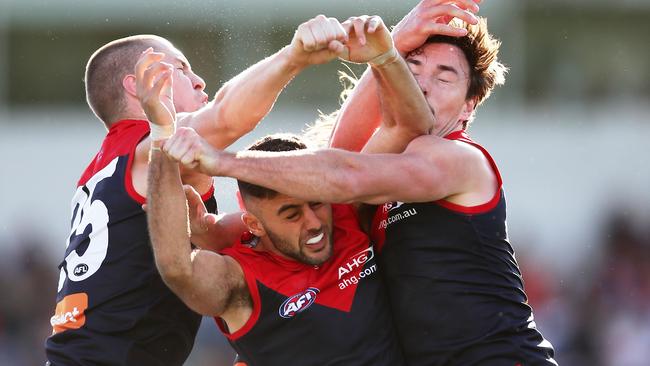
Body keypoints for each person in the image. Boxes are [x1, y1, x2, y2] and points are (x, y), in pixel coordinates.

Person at [159, 4, 558, 366]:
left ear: (469, 105)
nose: (422, 84)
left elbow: (343, 173)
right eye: (414, 67)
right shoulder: (386, 168)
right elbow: (329, 167)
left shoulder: (454, 157)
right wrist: (392, 43)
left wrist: (220, 161)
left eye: (444, 77)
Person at [45, 23, 351, 365]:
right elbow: (227, 118)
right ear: (137, 85)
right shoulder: (149, 148)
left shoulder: (107, 165)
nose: (199, 80)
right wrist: (294, 56)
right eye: (180, 68)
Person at [143, 14, 438, 365]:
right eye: (290, 214)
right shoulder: (241, 280)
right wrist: (161, 135)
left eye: (315, 203)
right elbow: (178, 269)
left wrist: (385, 56)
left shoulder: (344, 208)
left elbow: (413, 125)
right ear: (254, 224)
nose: (314, 222)